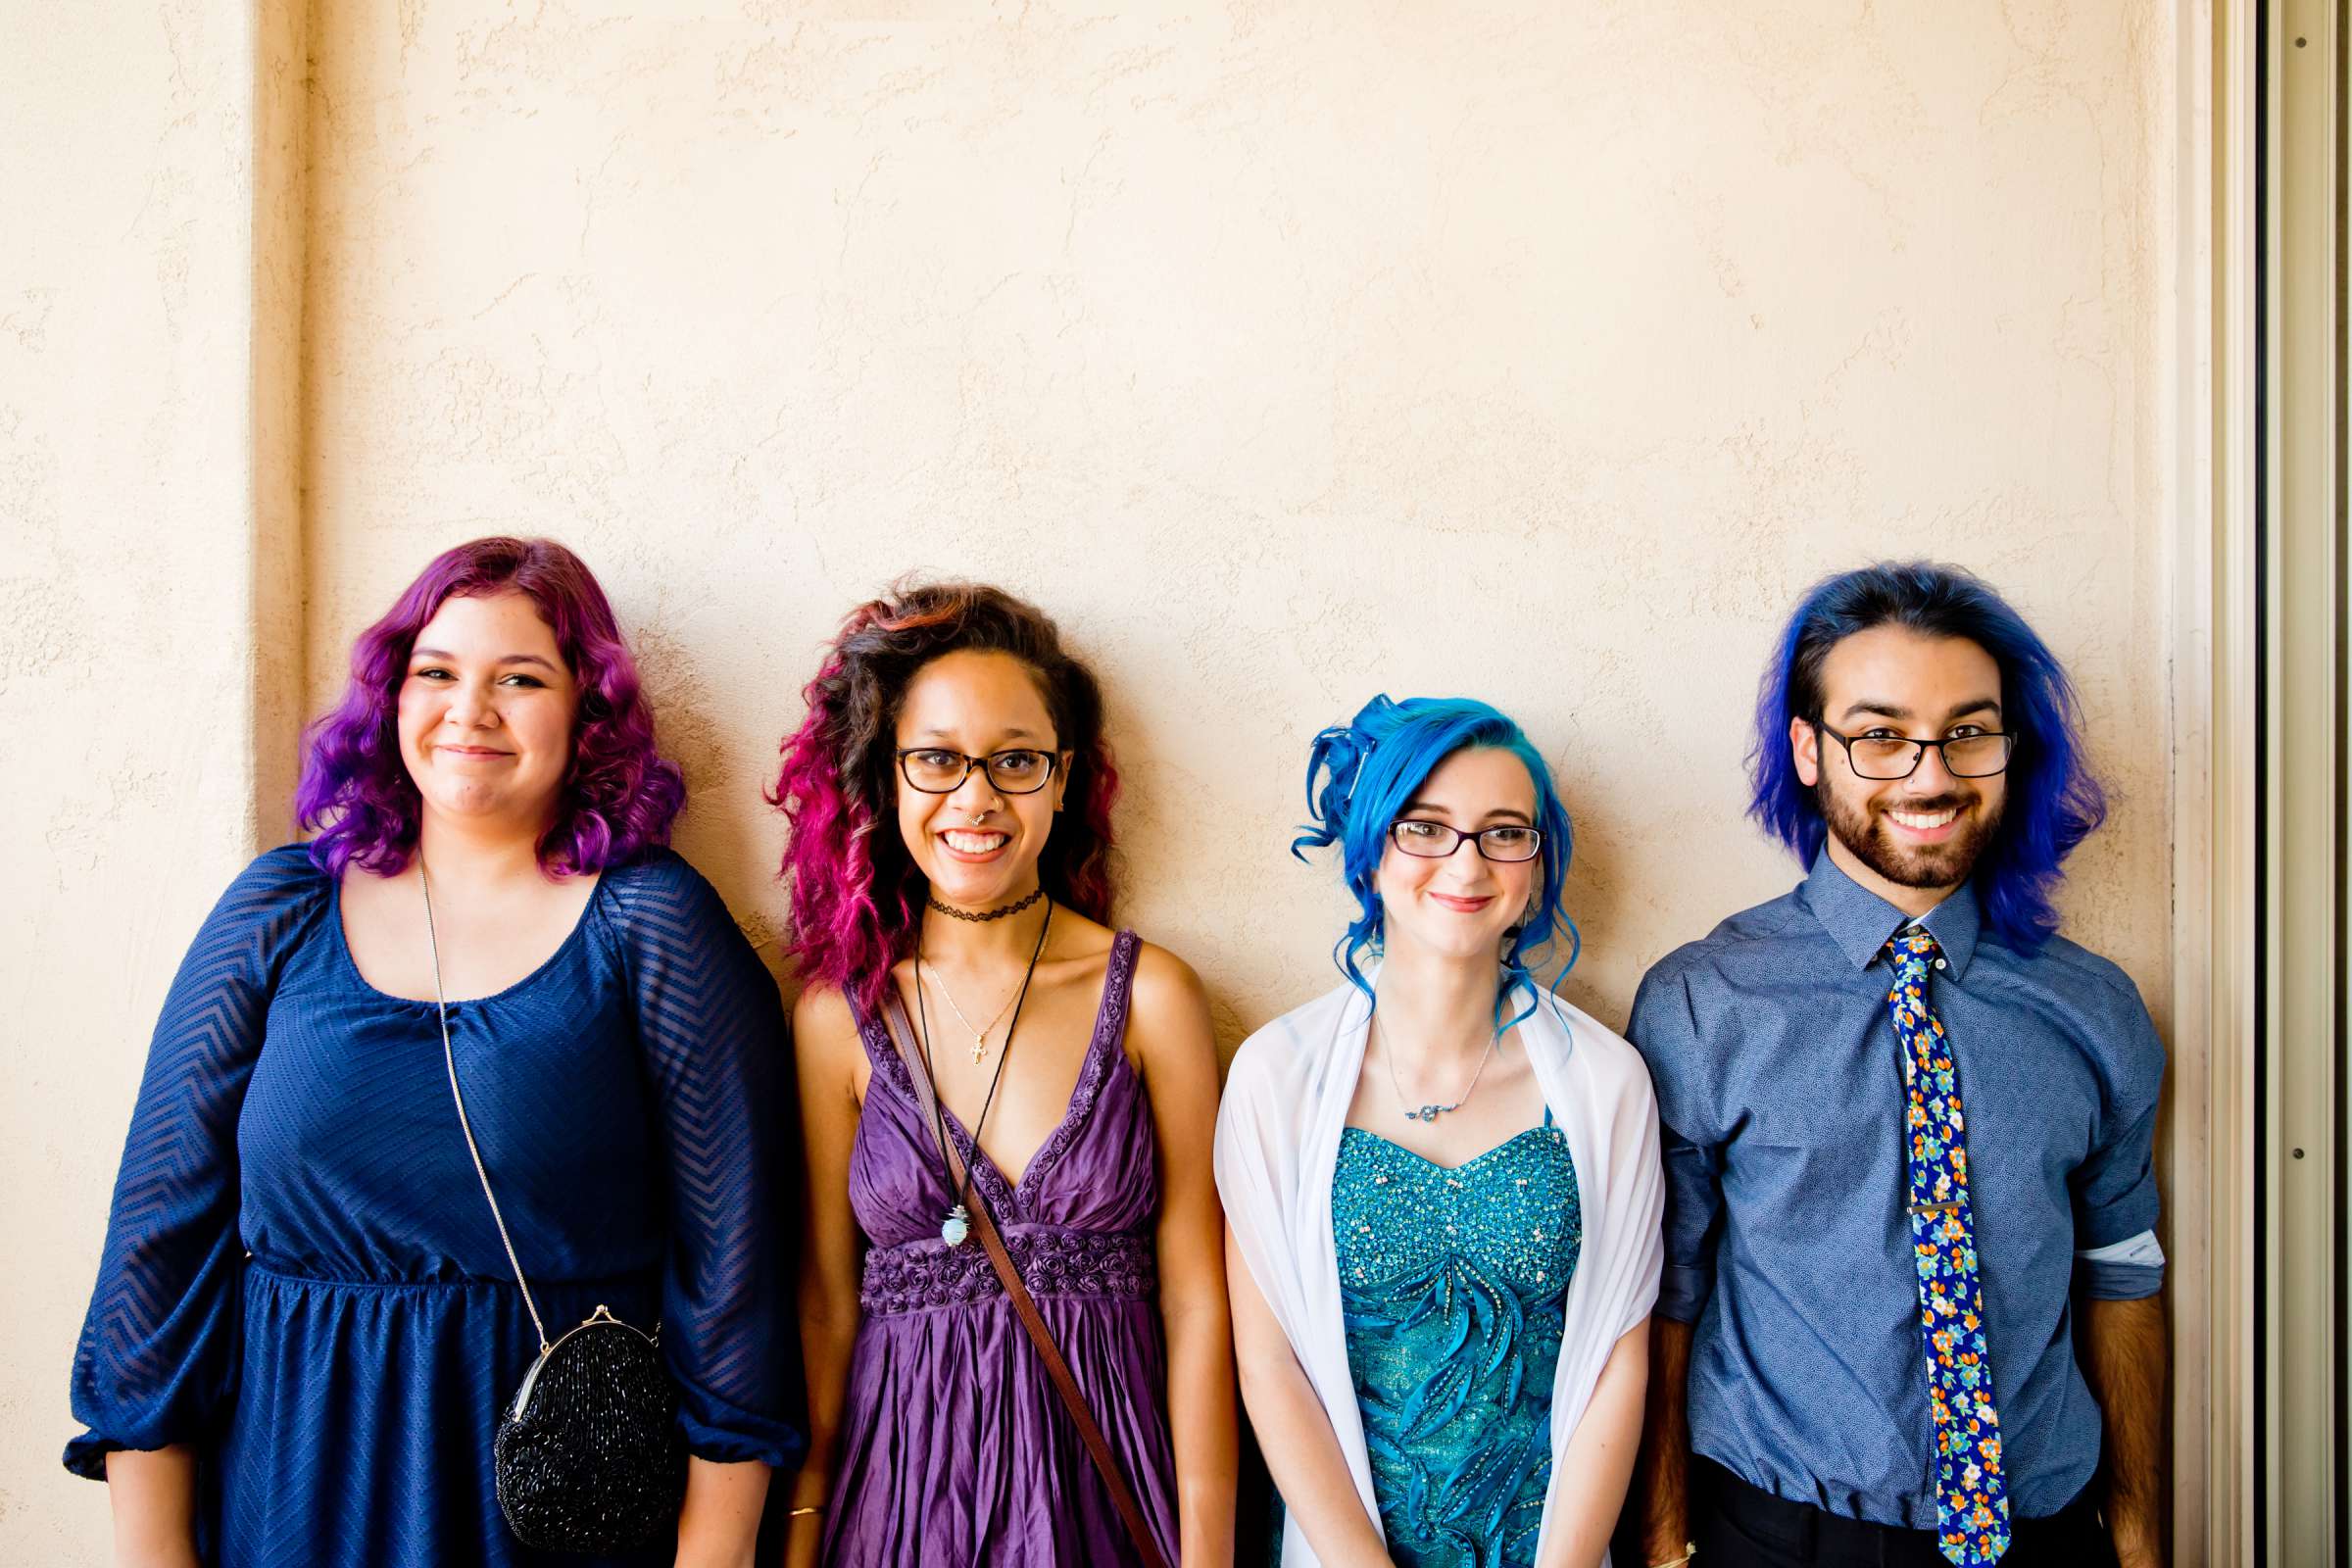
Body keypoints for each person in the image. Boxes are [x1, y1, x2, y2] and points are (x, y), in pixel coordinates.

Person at [66, 536, 803, 1568]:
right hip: (289, 1490)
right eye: (438, 673)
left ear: (586, 710)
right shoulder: (279, 911)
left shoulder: (653, 928)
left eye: (522, 678)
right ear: (393, 697)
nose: (471, 710)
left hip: (554, 1512)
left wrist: (712, 1560)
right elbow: (156, 1251)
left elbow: (737, 1275)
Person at [1627, 562, 2166, 1568]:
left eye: (1968, 730)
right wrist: (1663, 1545)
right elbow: (1667, 1292)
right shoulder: (1705, 1001)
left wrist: (2138, 1542)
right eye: (1880, 734)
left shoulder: (2095, 1009)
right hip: (1780, 1535)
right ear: (1807, 749)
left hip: (2047, 1534)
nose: (1930, 774)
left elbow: (2123, 1271)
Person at [775, 579, 1236, 1567]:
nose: (975, 798)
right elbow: (825, 1299)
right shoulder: (837, 1017)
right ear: (887, 776)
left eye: (1014, 761)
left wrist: (1208, 1551)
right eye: (937, 759)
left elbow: (1199, 1294)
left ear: (1063, 779)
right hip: (901, 1503)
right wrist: (805, 1530)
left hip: (1108, 1497)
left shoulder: (1153, 996)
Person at [1218, 695, 1663, 1568]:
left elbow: (1618, 1356)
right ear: (1372, 853)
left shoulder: (1608, 1083)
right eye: (1425, 828)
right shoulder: (1277, 1076)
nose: (1466, 862)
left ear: (1536, 865)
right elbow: (1270, 1364)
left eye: (1504, 832)